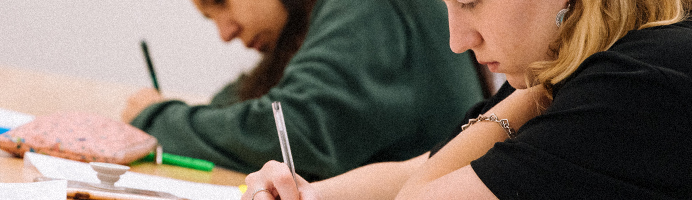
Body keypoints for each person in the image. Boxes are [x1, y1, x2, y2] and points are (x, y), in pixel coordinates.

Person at [242, 0, 692, 199]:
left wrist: (536, 87)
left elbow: (422, 197)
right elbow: (426, 167)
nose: (458, 40)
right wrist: (309, 195)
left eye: (471, 2)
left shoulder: (640, 80)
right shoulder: (621, 61)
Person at [120, 0, 486, 181]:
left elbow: (294, 135)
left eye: (221, 3)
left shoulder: (369, 7)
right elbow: (233, 108)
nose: (225, 32)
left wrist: (153, 117)